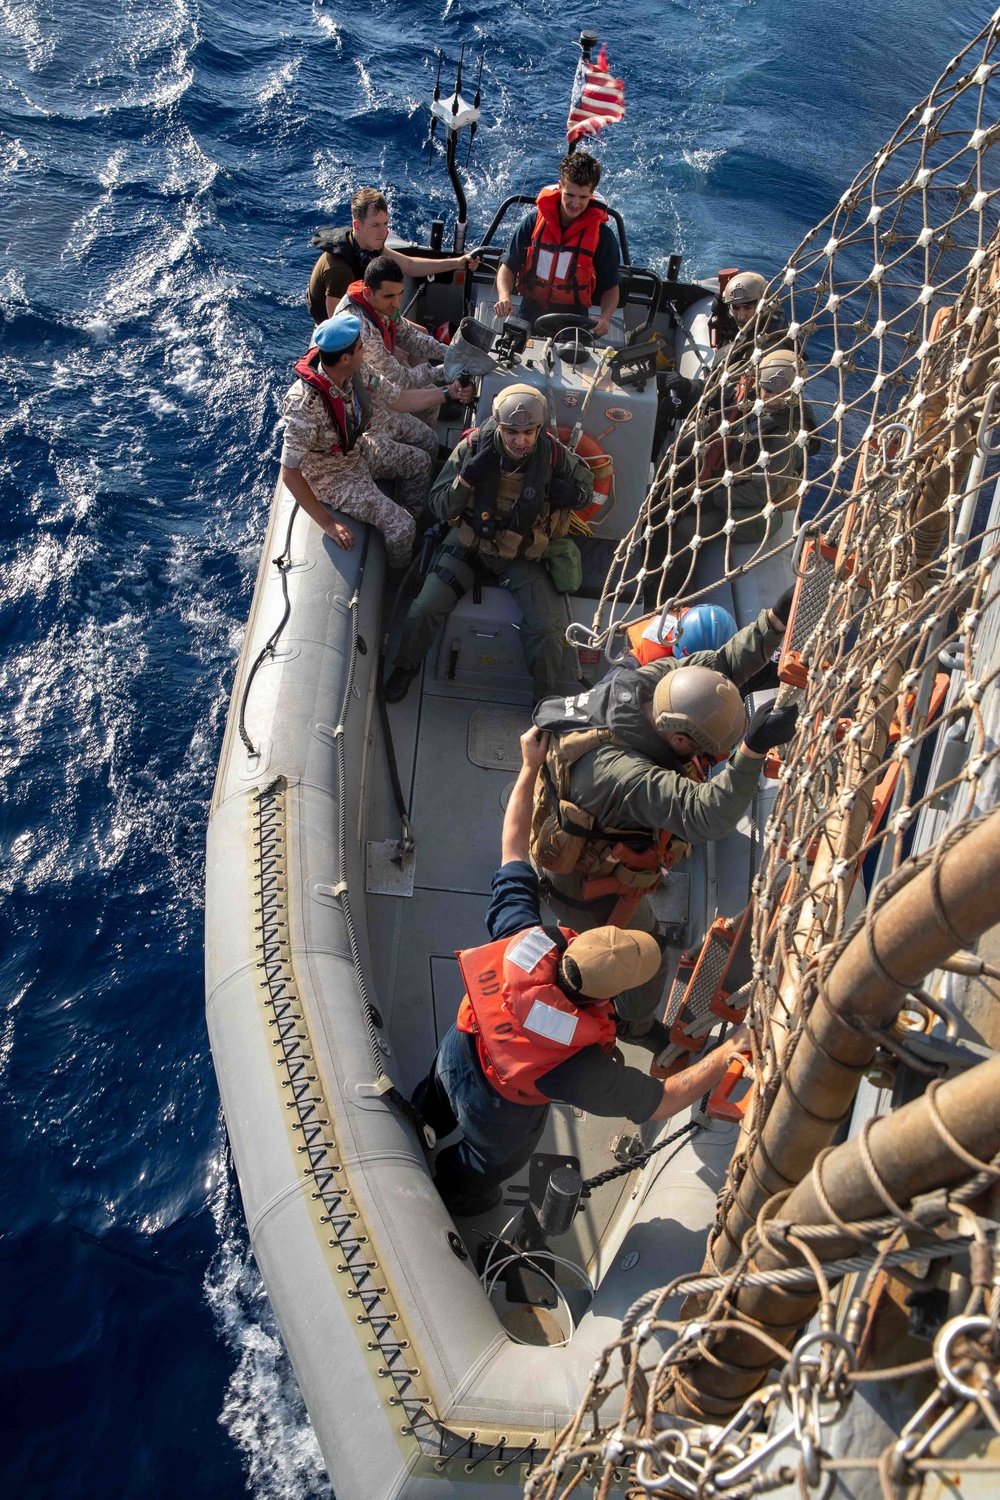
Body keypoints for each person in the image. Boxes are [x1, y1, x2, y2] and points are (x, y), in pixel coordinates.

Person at [412, 727, 751, 1217]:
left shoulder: (523, 939)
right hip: (500, 1112)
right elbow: (662, 1100)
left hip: (457, 1053)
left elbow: (513, 847)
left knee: (435, 1098)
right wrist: (731, 1052)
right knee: (488, 1162)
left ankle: (421, 1121)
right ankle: (458, 1193)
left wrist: (528, 766)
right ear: (606, 1001)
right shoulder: (574, 1064)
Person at [529, 592, 798, 1040]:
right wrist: (752, 750)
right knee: (646, 955)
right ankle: (635, 1026)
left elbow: (718, 669)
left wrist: (772, 623)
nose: (706, 758)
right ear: (679, 742)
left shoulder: (650, 685)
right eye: (703, 750)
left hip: (597, 820)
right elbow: (707, 815)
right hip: (585, 885)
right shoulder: (626, 775)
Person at [383, 384, 594, 704]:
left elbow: (587, 490)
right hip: (469, 543)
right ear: (499, 424)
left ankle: (545, 700)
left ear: (538, 429)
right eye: (512, 432)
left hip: (521, 552)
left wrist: (574, 494)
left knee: (548, 628)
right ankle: (406, 668)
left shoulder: (553, 456)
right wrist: (465, 480)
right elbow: (438, 505)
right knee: (424, 608)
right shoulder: (472, 448)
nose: (520, 441)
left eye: (528, 432)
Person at [279, 313, 451, 570]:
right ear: (345, 357)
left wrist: (448, 392)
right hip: (332, 478)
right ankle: (402, 575)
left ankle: (416, 522)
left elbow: (398, 399)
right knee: (402, 528)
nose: (365, 350)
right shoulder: (304, 405)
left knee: (421, 462)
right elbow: (290, 472)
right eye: (361, 347)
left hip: (358, 451)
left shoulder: (356, 371)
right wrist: (327, 523)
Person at [335, 255, 473, 458]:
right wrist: (445, 370)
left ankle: (425, 446)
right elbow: (400, 380)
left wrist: (451, 354)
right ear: (367, 292)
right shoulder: (361, 329)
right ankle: (422, 453)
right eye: (390, 296)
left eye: (400, 294)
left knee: (431, 408)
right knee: (425, 441)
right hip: (365, 403)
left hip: (381, 384)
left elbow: (409, 336)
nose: (397, 302)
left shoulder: (381, 305)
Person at [493, 152, 621, 337]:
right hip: (530, 312)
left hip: (575, 320)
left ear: (592, 194)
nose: (575, 203)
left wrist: (605, 318)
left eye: (583, 197)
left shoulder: (603, 236)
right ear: (560, 187)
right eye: (569, 195)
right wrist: (504, 296)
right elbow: (508, 266)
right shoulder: (532, 222)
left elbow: (611, 286)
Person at [307, 187, 477, 323]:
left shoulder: (370, 246)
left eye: (385, 223)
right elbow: (337, 326)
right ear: (357, 226)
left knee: (422, 334)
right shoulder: (339, 270)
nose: (384, 232)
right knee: (401, 355)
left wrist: (457, 263)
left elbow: (410, 265)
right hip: (346, 330)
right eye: (375, 225)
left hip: (364, 310)